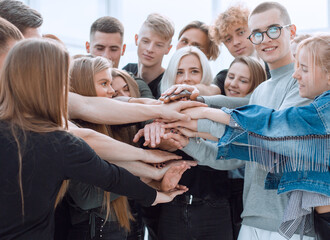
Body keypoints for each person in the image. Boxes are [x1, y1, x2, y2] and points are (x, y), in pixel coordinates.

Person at [0, 38, 187, 240]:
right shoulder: (58, 142)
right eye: (64, 81)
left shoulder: (55, 137)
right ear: (53, 84)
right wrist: (158, 192)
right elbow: (111, 177)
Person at [164, 2, 315, 239]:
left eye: (273, 29)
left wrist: (198, 118)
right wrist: (182, 139)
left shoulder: (303, 84)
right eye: (257, 33)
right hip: (252, 219)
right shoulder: (261, 91)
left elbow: (270, 140)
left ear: (291, 31)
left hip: (290, 226)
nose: (265, 39)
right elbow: (232, 156)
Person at [123, 13, 174, 99]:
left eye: (159, 45)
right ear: (136, 40)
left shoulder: (168, 84)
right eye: (145, 41)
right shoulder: (127, 70)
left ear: (168, 49)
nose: (150, 49)